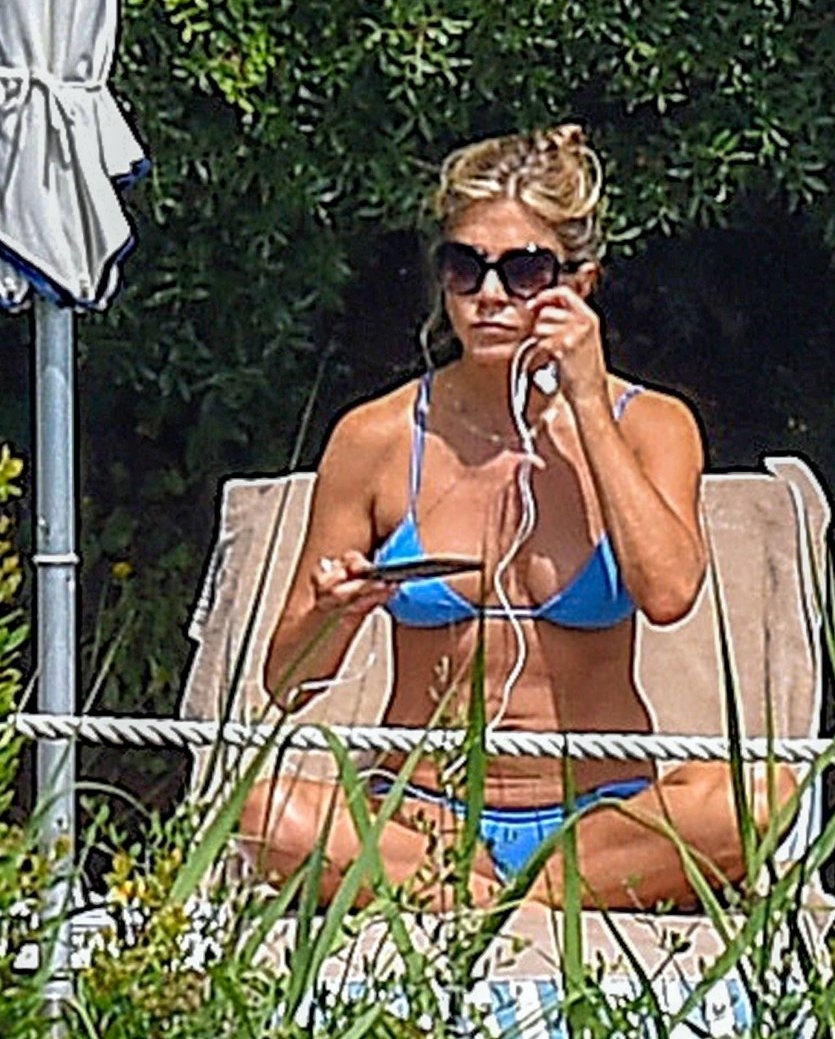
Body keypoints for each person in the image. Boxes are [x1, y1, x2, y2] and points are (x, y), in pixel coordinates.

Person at [238, 123, 795, 910]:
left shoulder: (651, 426)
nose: (490, 296)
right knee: (269, 815)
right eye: (465, 268)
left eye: (523, 270)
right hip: (420, 816)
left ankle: (499, 897)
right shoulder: (378, 438)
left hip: (602, 819)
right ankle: (517, 897)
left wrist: (587, 405)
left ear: (580, 284)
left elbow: (670, 592)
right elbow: (287, 684)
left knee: (760, 795)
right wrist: (338, 613)